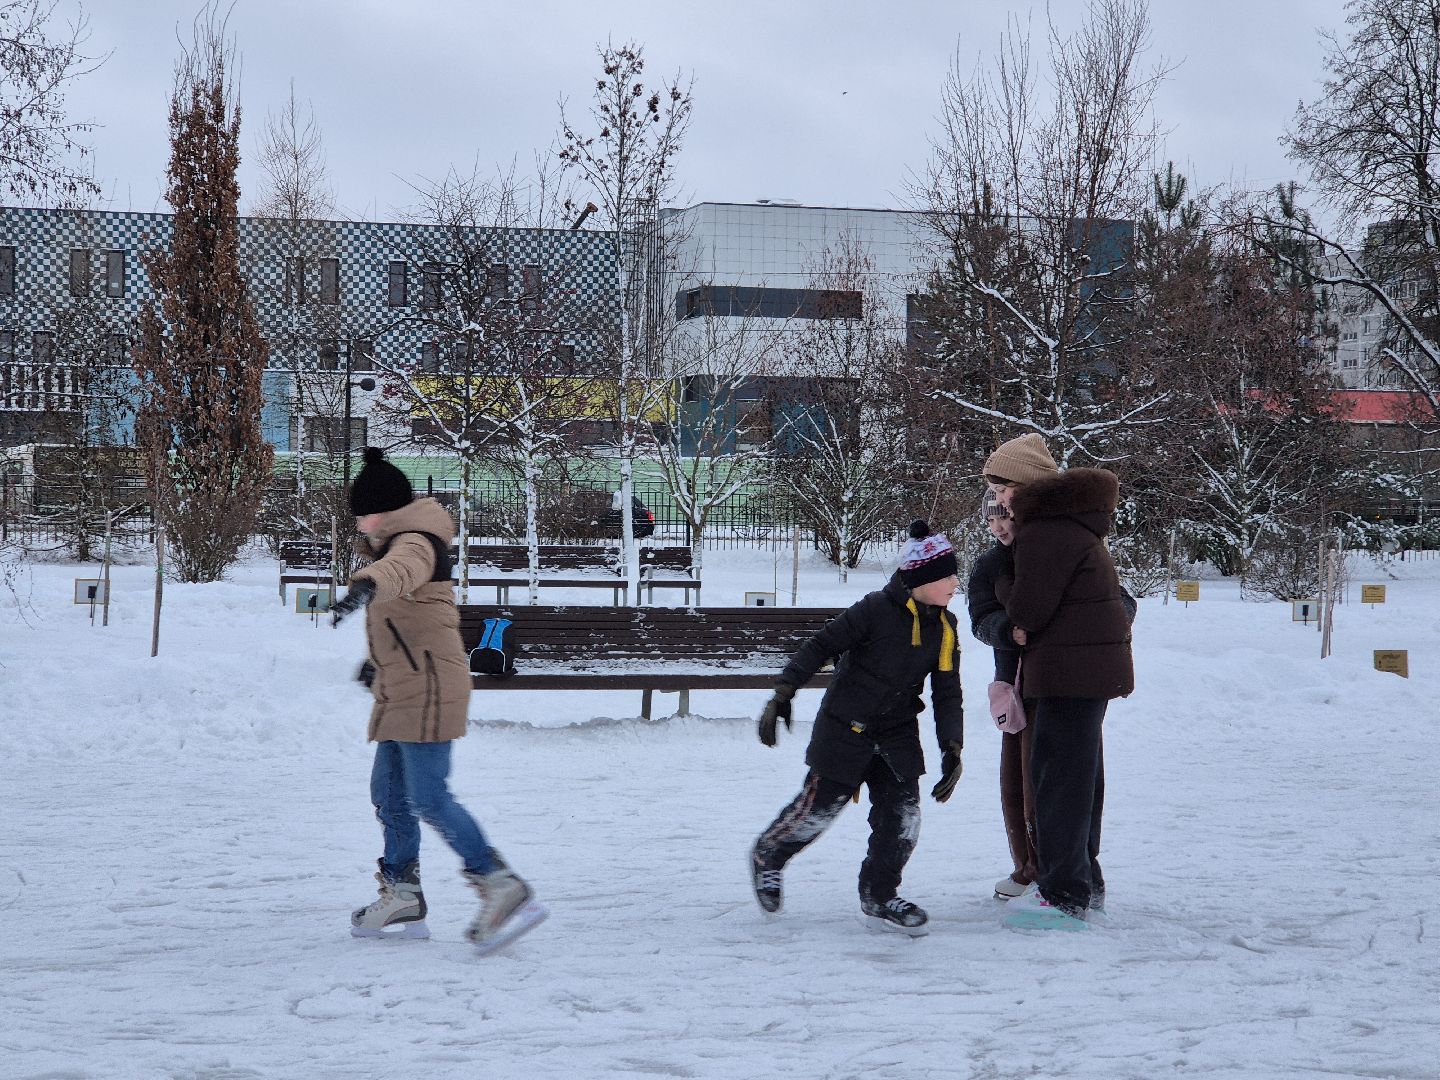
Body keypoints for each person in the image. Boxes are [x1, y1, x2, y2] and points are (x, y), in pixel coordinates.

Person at [329, 447, 546, 952]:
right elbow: (411, 616)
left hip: (426, 690)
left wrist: (364, 586)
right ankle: (403, 892)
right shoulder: (407, 538)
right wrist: (377, 660)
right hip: (402, 687)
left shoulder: (415, 540)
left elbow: (400, 572)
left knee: (428, 796)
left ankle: (500, 883)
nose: (358, 523)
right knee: (389, 794)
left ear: (380, 510)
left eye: (362, 513)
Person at [749, 520, 965, 935]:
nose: (956, 582)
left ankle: (879, 894)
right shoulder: (874, 610)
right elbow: (821, 646)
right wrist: (783, 692)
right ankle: (768, 854)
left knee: (903, 818)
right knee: (817, 810)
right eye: (947, 575)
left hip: (897, 733)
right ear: (922, 579)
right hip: (844, 728)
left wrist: (951, 746)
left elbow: (947, 692)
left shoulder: (945, 629)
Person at [983, 433, 1134, 931]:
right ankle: (1085, 886)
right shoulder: (1074, 526)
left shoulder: (1046, 531)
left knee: (1059, 784)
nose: (998, 499)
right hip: (1083, 673)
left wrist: (1004, 584)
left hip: (1065, 673)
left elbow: (1028, 611)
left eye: (1002, 487)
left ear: (1025, 486)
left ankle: (1063, 895)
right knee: (1080, 780)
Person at [966, 488, 1038, 901]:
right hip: (1011, 684)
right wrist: (1005, 631)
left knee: (1037, 779)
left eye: (1004, 518)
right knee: (1014, 778)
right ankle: (1024, 863)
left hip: (1049, 681)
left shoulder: (1046, 553)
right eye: (991, 522)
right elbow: (979, 618)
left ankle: (1044, 865)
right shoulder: (991, 564)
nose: (998, 528)